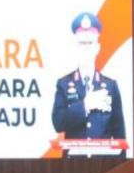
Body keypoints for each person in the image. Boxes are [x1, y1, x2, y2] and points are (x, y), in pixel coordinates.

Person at [52, 12, 126, 144]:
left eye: (90, 43)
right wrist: (85, 105)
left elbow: (119, 134)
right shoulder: (64, 84)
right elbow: (58, 123)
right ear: (75, 47)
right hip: (73, 157)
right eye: (82, 43)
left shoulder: (111, 86)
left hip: (103, 157)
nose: (86, 48)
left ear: (97, 48)